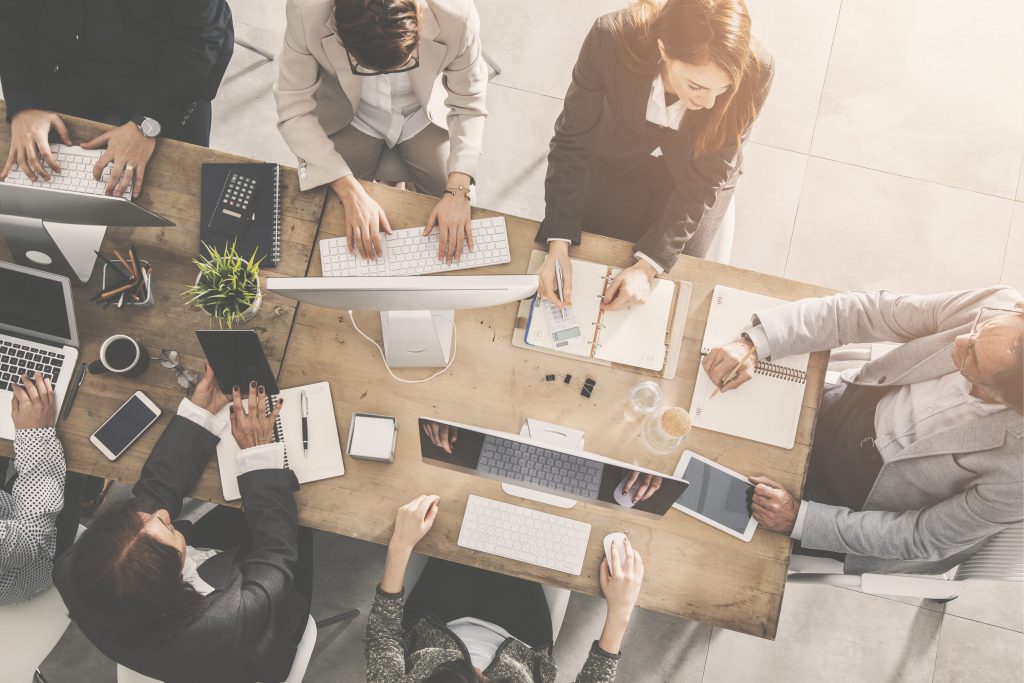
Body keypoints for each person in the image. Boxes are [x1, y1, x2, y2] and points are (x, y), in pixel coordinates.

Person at [701, 287, 1024, 574]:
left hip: (859, 506)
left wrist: (798, 518)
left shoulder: (1017, 474)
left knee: (713, 543)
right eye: (979, 328)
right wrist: (755, 343)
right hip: (847, 409)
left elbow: (920, 536)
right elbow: (867, 312)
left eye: (972, 358)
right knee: (706, 437)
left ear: (1005, 398)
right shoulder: (999, 304)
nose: (960, 339)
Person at [54, 369, 313, 683]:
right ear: (176, 569)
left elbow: (153, 494)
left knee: (247, 508)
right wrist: (259, 453)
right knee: (303, 516)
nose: (162, 512)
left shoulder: (76, 570)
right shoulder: (224, 621)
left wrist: (199, 413)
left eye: (141, 519)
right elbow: (276, 553)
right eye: (166, 526)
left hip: (180, 599)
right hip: (259, 632)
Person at [536, 0, 773, 312]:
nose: (711, 103)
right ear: (664, 50)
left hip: (698, 175)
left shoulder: (757, 69)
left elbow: (706, 181)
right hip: (616, 153)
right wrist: (558, 243)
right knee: (591, 261)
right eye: (697, 86)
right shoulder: (609, 37)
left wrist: (648, 265)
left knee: (669, 292)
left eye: (722, 89)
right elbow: (572, 141)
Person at [276, 0, 488, 263]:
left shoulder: (457, 14)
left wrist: (458, 191)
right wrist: (349, 191)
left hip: (422, 115)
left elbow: (469, 103)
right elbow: (293, 107)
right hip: (351, 116)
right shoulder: (304, 9)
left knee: (466, 220)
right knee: (323, 218)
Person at [365, 494, 645, 682]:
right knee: (532, 521)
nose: (479, 667)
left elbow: (382, 638)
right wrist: (621, 609)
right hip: (521, 634)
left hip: (437, 621)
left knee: (470, 510)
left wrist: (401, 544)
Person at [0, 0, 234, 197]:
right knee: (34, 192)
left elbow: (200, 40)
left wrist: (147, 123)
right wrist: (23, 101)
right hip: (68, 55)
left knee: (183, 194)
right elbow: (11, 18)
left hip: (166, 76)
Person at [0, 372, 65, 605]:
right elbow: (30, 536)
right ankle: (89, 499)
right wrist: (34, 435)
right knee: (73, 452)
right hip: (36, 552)